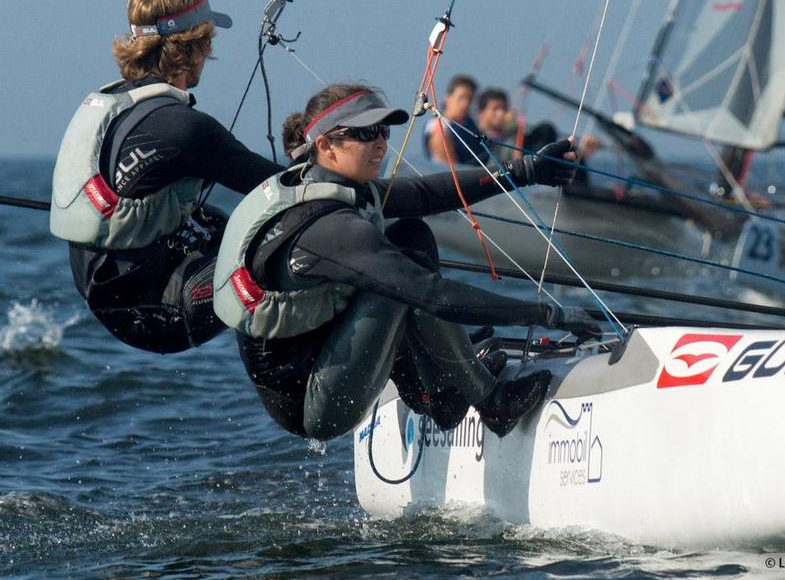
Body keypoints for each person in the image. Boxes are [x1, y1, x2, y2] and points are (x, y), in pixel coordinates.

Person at [214, 83, 601, 441]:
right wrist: (548, 314)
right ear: (326, 146)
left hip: (329, 355)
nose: (381, 144)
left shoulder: (327, 185)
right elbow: (433, 294)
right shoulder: (331, 228)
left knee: (411, 236)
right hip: (314, 404)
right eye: (365, 134)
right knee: (401, 285)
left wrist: (522, 172)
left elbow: (424, 193)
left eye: (384, 132)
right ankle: (492, 402)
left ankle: (437, 393)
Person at [50, 0, 283, 353]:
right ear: (193, 45)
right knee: (289, 237)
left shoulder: (117, 107)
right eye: (207, 40)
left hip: (108, 297)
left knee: (219, 224)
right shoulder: (183, 128)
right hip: (160, 315)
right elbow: (284, 189)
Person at [424, 74, 490, 164]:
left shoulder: (471, 124)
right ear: (447, 98)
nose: (465, 103)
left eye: (469, 99)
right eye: (461, 97)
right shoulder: (439, 126)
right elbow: (448, 166)